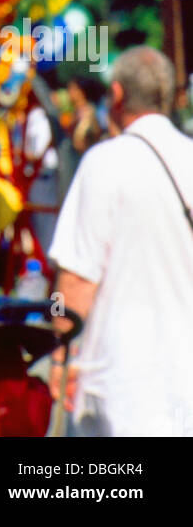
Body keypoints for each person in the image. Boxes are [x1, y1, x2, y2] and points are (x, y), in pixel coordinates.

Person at [48, 46, 193, 437]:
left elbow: (73, 282)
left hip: (121, 389)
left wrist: (58, 349)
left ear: (115, 95)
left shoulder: (104, 163)